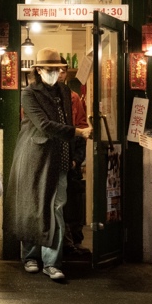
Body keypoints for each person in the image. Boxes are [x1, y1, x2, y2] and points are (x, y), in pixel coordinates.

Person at [7, 48, 93, 282]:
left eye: (57, 69)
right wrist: (77, 132)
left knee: (56, 209)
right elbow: (44, 124)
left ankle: (52, 262)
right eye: (49, 69)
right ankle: (30, 256)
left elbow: (66, 121)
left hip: (61, 157)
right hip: (35, 156)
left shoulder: (66, 91)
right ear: (38, 70)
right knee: (33, 206)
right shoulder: (28, 93)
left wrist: (75, 155)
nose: (53, 73)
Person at [63, 74, 89, 254]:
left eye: (61, 70)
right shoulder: (38, 97)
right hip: (52, 156)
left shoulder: (74, 98)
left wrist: (76, 159)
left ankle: (75, 240)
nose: (57, 74)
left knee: (74, 199)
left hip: (72, 153)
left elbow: (82, 127)